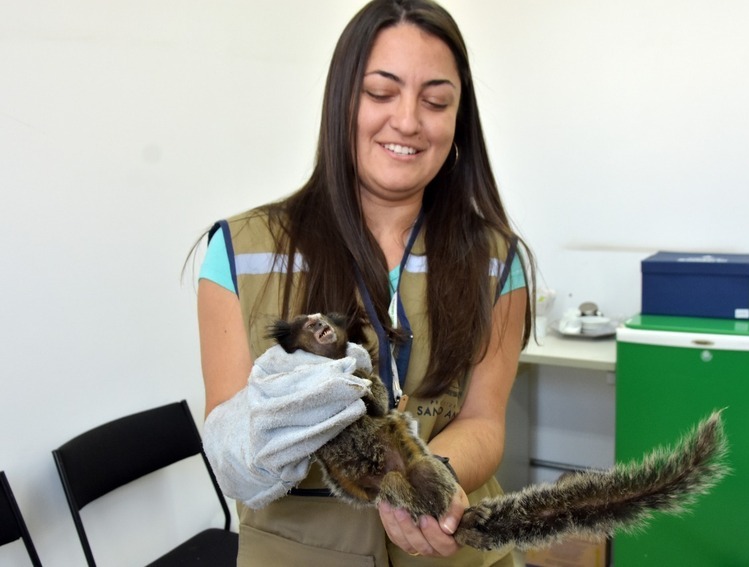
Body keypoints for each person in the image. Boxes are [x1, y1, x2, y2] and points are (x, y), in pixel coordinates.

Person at [196, 0, 535, 565]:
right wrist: (267, 429)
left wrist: (433, 482)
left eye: (435, 101)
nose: (407, 121)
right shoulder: (240, 252)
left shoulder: (496, 260)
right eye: (381, 93)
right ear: (342, 100)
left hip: (452, 551)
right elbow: (232, 456)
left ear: (458, 119)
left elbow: (483, 419)